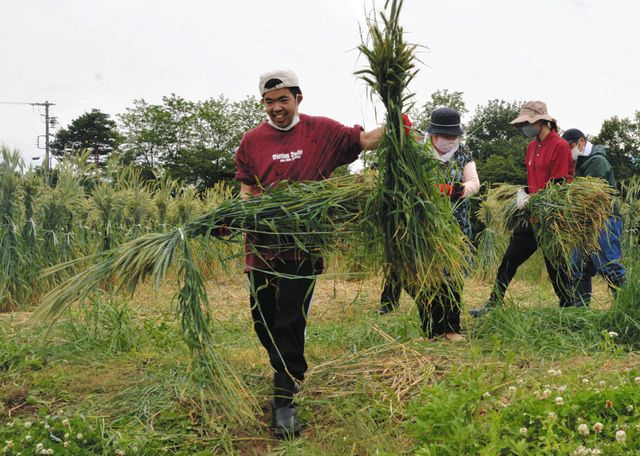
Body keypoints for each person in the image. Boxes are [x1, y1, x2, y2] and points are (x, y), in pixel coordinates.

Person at [234, 69, 383, 437]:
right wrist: (243, 214)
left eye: (283, 100)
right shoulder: (252, 140)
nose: (276, 108)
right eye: (269, 102)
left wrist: (396, 123)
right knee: (263, 318)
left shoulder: (323, 131)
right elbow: (247, 189)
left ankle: (284, 398)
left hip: (303, 247)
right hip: (263, 246)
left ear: (298, 99)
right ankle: (289, 367)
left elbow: (364, 141)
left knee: (289, 319)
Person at [378, 107, 480, 341]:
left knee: (453, 278)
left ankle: (452, 328)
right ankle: (432, 329)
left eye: (453, 136)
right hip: (424, 227)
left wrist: (460, 190)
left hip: (456, 225)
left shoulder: (463, 152)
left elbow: (474, 182)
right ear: (434, 134)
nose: (450, 141)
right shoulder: (418, 153)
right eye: (446, 136)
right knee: (427, 277)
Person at [469, 101, 574, 317]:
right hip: (529, 217)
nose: (525, 127)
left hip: (551, 218)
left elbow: (559, 185)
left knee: (557, 269)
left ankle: (570, 311)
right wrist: (524, 193)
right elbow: (534, 179)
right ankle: (493, 303)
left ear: (542, 121)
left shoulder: (560, 146)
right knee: (509, 260)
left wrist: (533, 200)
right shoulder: (532, 147)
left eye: (528, 122)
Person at [562, 128, 626, 306]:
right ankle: (580, 312)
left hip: (604, 219)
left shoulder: (597, 161)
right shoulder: (579, 163)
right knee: (579, 268)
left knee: (610, 266)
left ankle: (627, 308)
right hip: (586, 222)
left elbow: (588, 196)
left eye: (571, 146)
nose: (569, 150)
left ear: (582, 141)